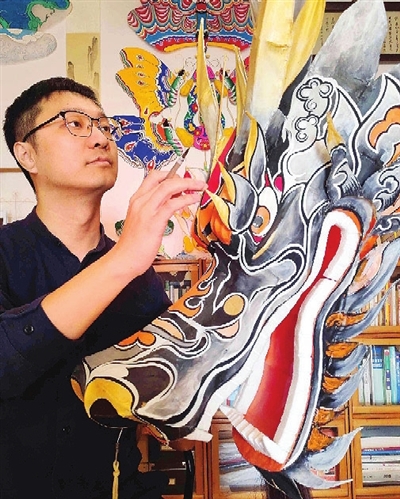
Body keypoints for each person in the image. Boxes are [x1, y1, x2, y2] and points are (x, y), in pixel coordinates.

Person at [0, 77, 206, 499]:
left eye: (105, 126)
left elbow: (181, 429)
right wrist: (123, 259)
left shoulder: (140, 276)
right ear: (26, 154)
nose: (100, 138)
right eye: (74, 124)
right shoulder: (6, 254)